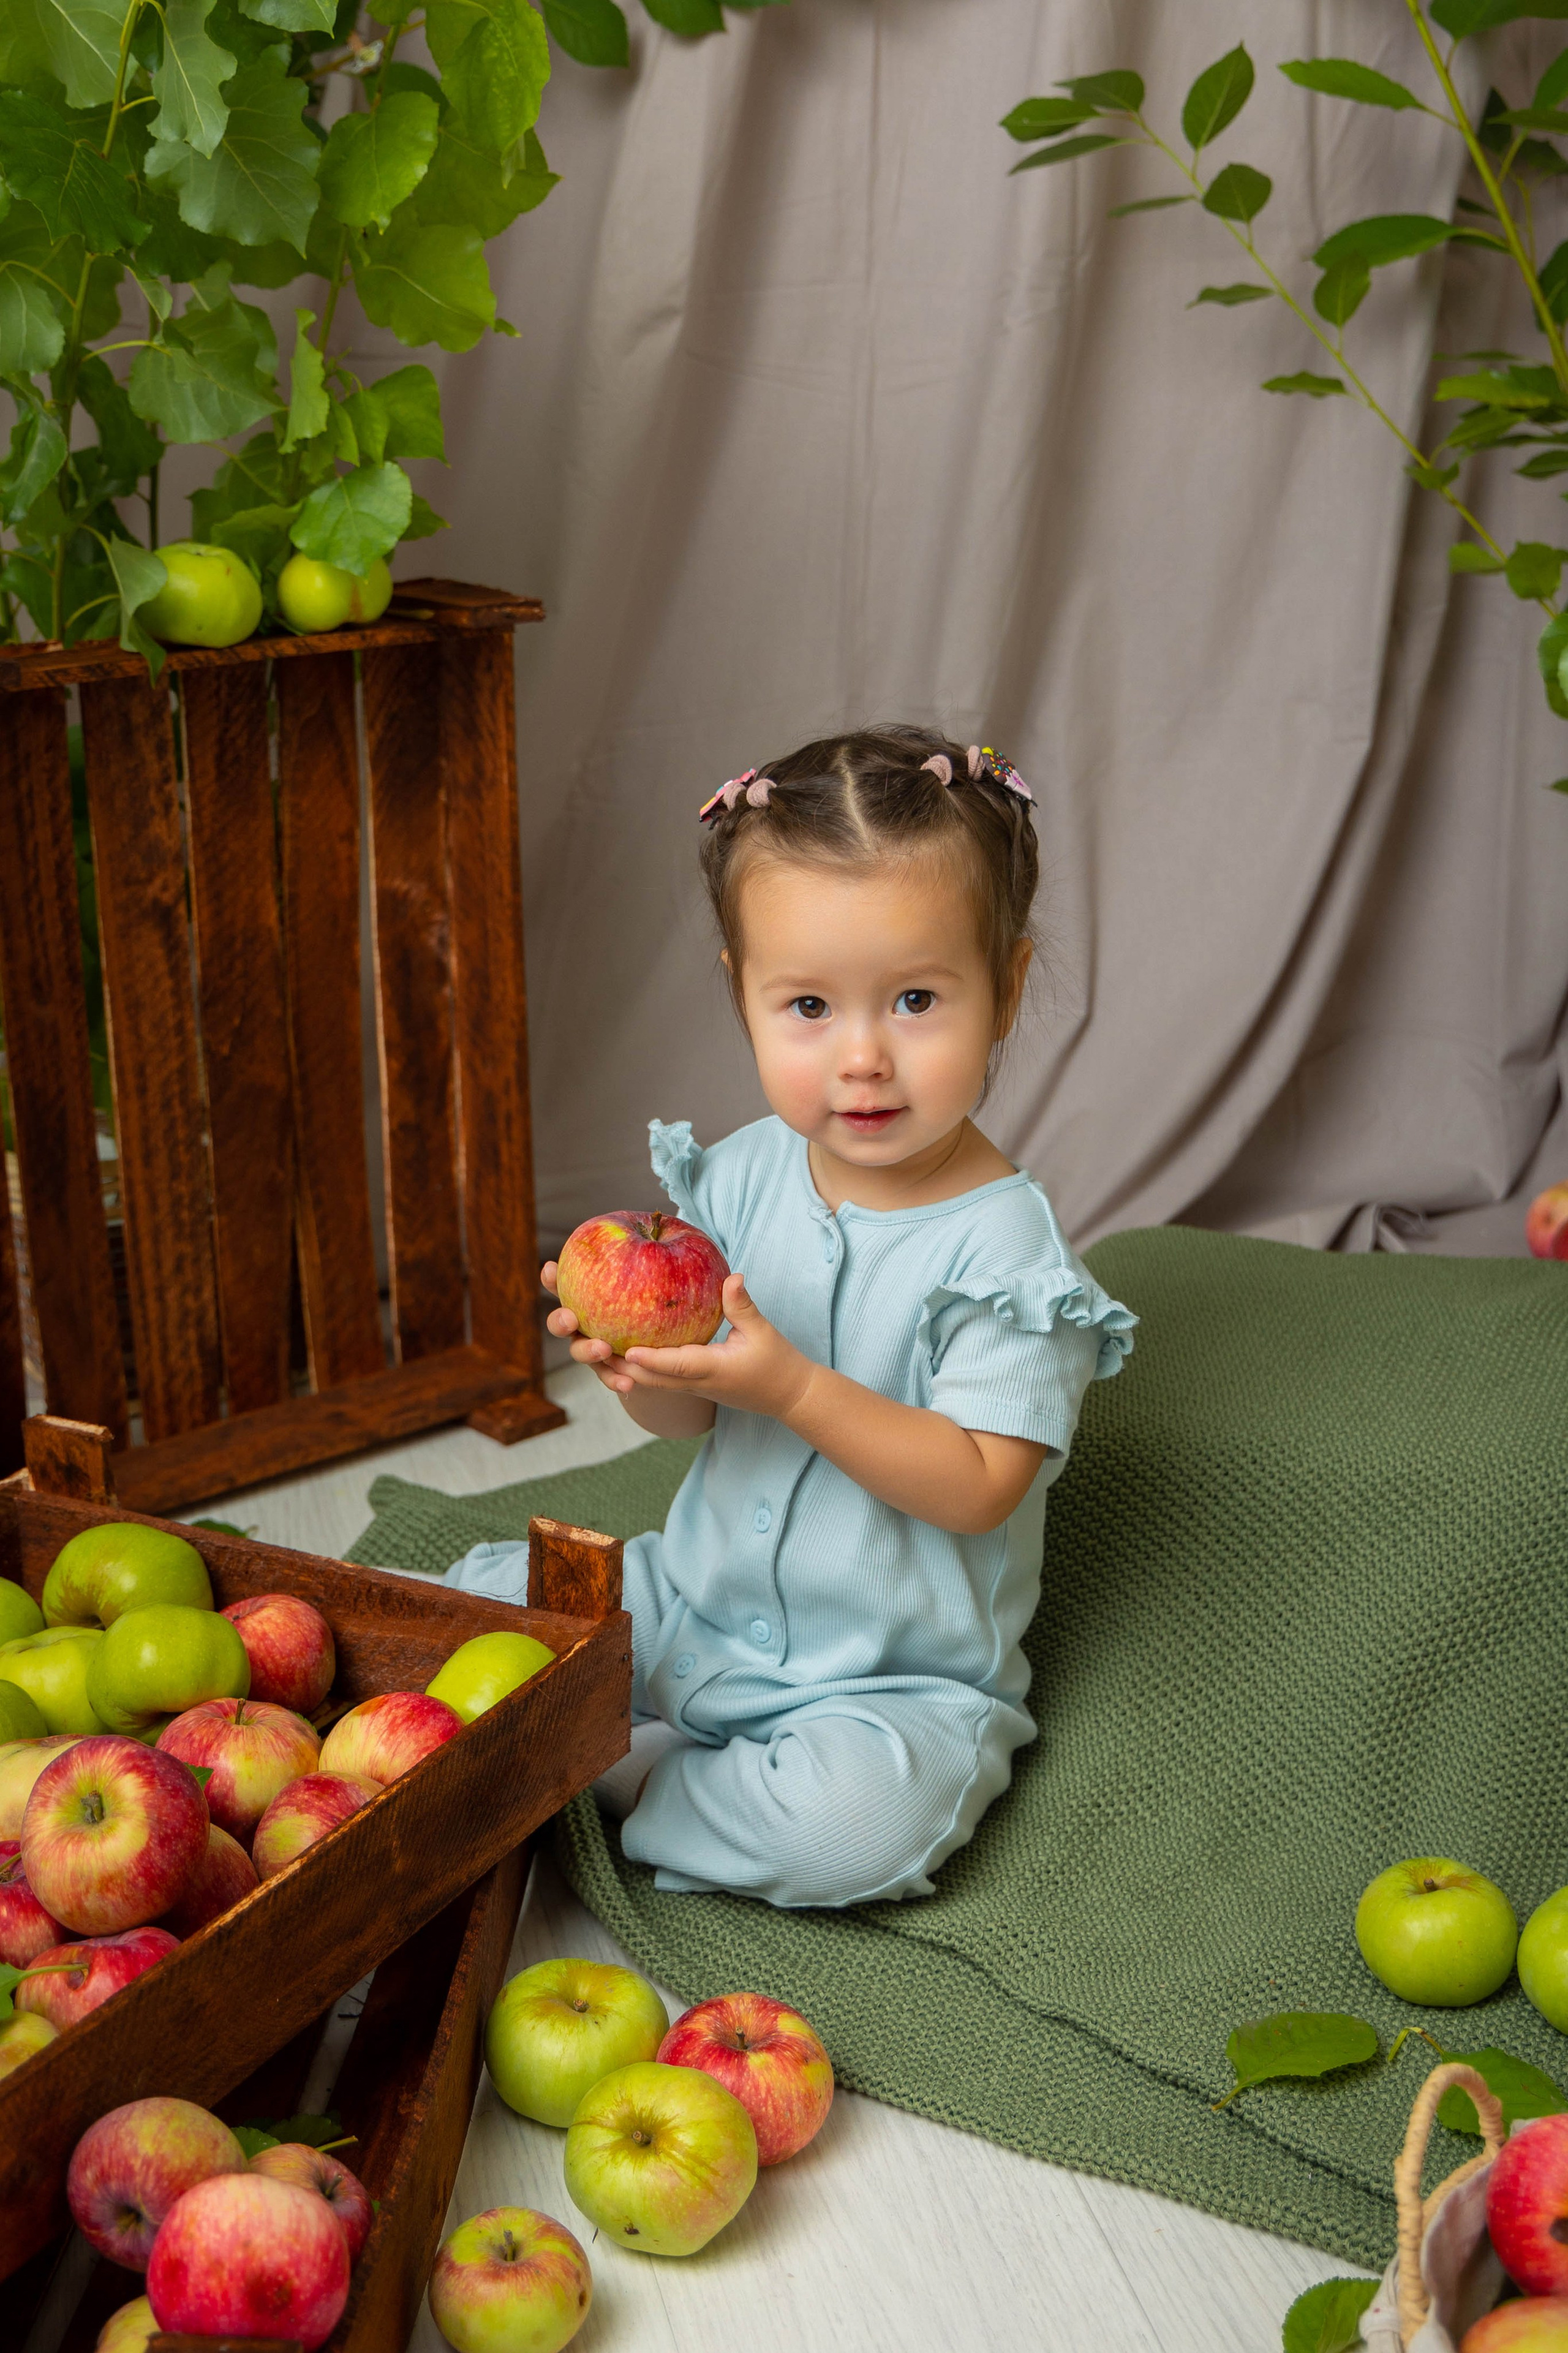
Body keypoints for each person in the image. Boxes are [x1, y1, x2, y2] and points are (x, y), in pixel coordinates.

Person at [451, 726, 1135, 1908]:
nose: (862, 1057)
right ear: (742, 996)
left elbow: (981, 1483)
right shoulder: (750, 1177)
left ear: (1009, 988)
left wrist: (795, 1388)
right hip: (693, 1603)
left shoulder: (1006, 1254)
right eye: (809, 1005)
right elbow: (696, 1426)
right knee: (469, 1594)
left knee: (853, 1831)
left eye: (917, 999)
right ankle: (609, 1736)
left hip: (881, 1685)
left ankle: (622, 1771)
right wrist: (647, 1372)